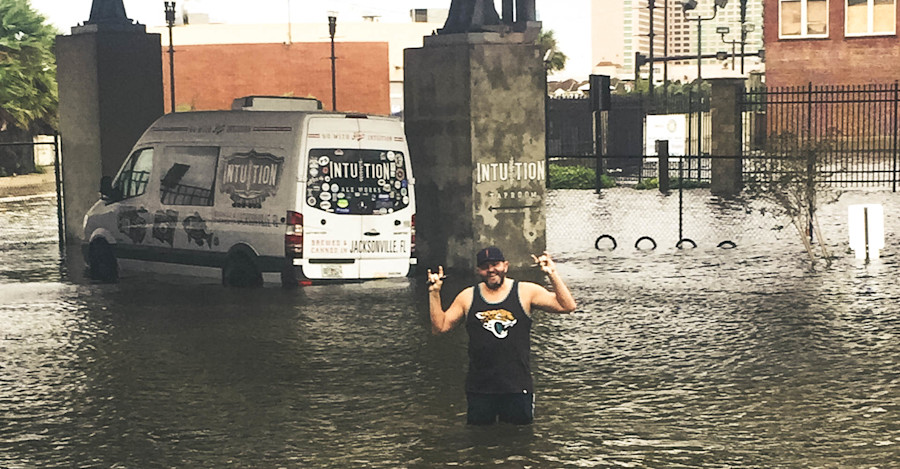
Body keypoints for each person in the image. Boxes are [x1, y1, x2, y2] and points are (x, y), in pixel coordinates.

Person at [427, 246, 577, 425]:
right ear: (478, 271)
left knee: (520, 440)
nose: (491, 270)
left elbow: (567, 306)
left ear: (505, 266)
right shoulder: (468, 297)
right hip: (480, 387)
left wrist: (552, 274)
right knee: (479, 440)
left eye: (495, 264)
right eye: (485, 266)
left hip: (517, 385)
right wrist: (434, 292)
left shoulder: (525, 292)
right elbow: (440, 327)